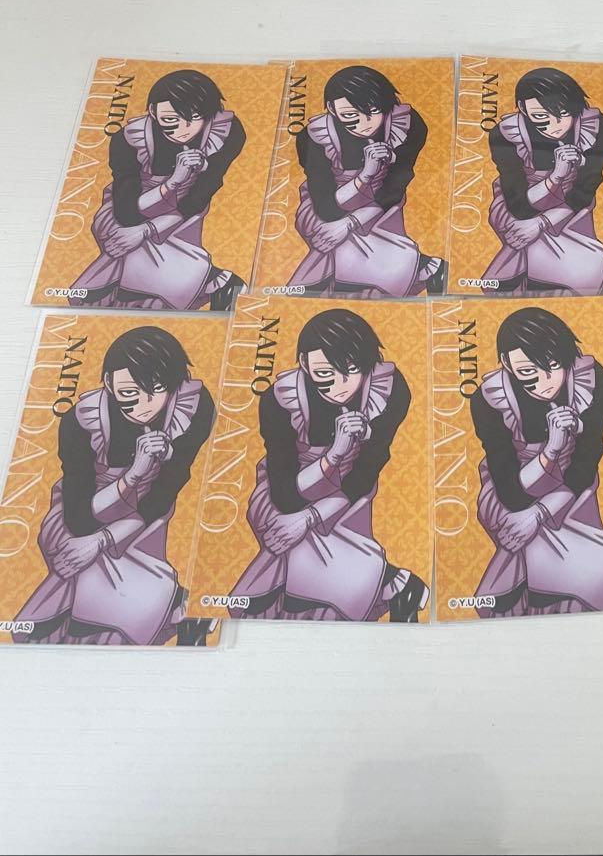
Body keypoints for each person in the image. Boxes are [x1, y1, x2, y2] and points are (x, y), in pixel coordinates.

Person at [14, 327, 216, 645]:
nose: (144, 405)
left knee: (116, 571)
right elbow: (79, 518)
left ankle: (160, 611)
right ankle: (174, 610)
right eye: (129, 393)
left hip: (146, 514)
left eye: (157, 390)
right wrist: (133, 474)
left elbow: (166, 490)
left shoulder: (193, 404)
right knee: (75, 553)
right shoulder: (82, 420)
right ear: (109, 383)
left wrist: (103, 540)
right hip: (86, 506)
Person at [231, 309, 428, 621]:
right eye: (324, 374)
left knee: (296, 541)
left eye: (351, 370)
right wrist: (333, 455)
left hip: (349, 492)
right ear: (304, 363)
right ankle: (389, 582)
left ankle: (374, 586)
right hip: (290, 485)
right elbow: (284, 494)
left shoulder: (388, 388)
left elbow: (366, 471)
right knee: (278, 523)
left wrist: (309, 518)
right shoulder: (280, 399)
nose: (340, 385)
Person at [469, 307, 603, 616]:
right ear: (506, 364)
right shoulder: (489, 399)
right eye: (528, 372)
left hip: (571, 487)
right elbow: (509, 490)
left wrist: (539, 512)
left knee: (526, 541)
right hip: (512, 485)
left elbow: (586, 462)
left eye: (553, 366)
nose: (545, 382)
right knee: (512, 522)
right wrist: (550, 451)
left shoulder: (592, 380)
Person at [71, 70, 247, 311]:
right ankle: (212, 281)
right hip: (133, 206)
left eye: (195, 117)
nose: (184, 129)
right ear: (153, 112)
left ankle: (203, 283)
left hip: (184, 213)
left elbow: (200, 195)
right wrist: (173, 181)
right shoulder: (129, 139)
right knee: (120, 236)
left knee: (134, 255)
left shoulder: (226, 130)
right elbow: (126, 212)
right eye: (170, 120)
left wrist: (146, 230)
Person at [287, 65, 446, 297]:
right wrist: (365, 175)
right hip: (330, 204)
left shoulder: (406, 123)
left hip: (382, 204)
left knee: (342, 245)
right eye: (350, 116)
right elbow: (325, 205)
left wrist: (351, 222)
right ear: (331, 108)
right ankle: (422, 268)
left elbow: (396, 184)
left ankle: (332, 288)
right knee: (324, 232)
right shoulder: (314, 136)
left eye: (373, 111)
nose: (365, 123)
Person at [481, 67, 603, 295]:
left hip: (571, 206)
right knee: (517, 227)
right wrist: (555, 175)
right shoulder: (505, 134)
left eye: (563, 113)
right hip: (519, 202)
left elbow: (584, 190)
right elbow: (518, 205)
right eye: (540, 117)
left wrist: (541, 223)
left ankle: (523, 279)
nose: (555, 125)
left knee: (530, 239)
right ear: (522, 109)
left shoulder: (597, 128)